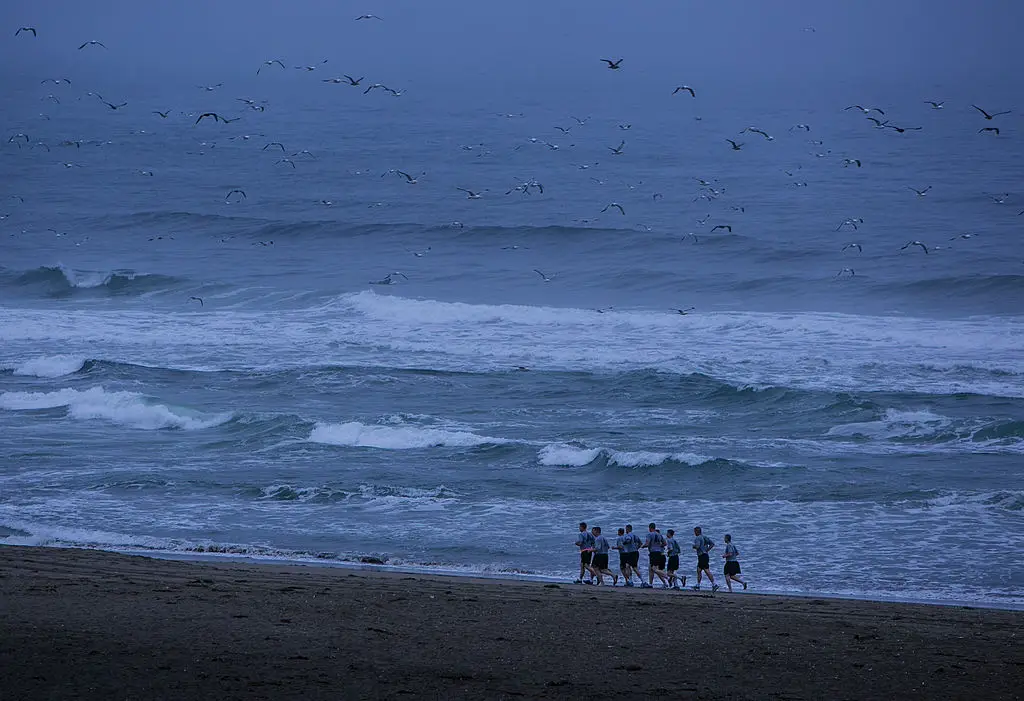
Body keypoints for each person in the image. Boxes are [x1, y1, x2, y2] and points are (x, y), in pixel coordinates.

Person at [640, 522, 670, 589]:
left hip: (653, 553)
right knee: (650, 569)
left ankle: (668, 577)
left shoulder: (649, 534)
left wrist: (642, 546)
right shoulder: (659, 534)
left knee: (654, 569)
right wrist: (658, 546)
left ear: (650, 528)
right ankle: (650, 584)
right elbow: (665, 543)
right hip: (659, 553)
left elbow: (647, 544)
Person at [691, 526, 719, 592]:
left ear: (697, 531)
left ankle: (714, 584)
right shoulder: (704, 537)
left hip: (702, 556)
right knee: (699, 570)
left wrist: (694, 546)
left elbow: (697, 546)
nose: (694, 533)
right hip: (705, 555)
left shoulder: (697, 538)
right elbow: (712, 544)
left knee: (706, 570)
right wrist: (707, 550)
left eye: (695, 531)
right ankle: (698, 585)